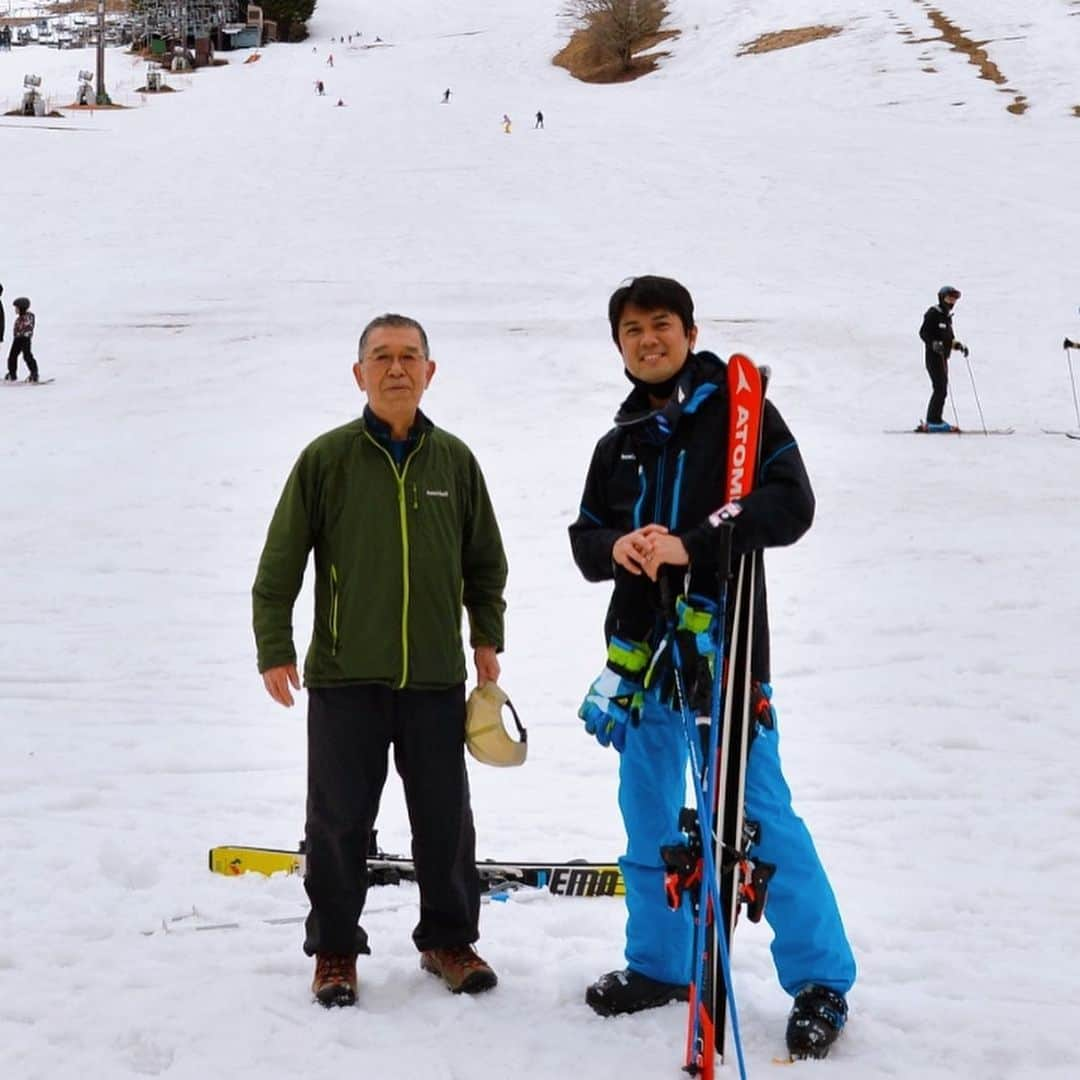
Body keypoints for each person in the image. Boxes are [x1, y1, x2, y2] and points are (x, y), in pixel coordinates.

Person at [568, 276, 856, 1060]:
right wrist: (616, 549)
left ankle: (820, 980)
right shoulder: (618, 442)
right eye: (632, 329)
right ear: (618, 344)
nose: (648, 339)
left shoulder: (742, 414)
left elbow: (790, 503)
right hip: (640, 662)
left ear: (689, 332)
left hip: (721, 653)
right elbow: (585, 536)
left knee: (758, 815)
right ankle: (660, 964)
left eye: (661, 324)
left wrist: (695, 542)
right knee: (648, 815)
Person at [252, 313, 509, 1009]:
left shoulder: (453, 461)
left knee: (445, 818)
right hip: (343, 675)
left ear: (430, 372)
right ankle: (335, 949)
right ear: (359, 373)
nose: (396, 368)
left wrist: (486, 636)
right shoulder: (327, 459)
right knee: (336, 822)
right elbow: (279, 566)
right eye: (381, 357)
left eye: (409, 356)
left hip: (432, 676)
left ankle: (447, 940)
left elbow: (484, 562)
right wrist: (274, 647)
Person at [918, 285, 968, 432]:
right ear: (941, 298)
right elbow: (923, 333)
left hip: (943, 358)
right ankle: (933, 420)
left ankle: (935, 419)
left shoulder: (947, 317)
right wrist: (934, 344)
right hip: (933, 358)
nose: (951, 302)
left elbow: (948, 339)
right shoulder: (933, 313)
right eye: (949, 298)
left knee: (941, 388)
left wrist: (958, 346)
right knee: (940, 388)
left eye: (954, 299)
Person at [5, 297, 38, 383]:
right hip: (17, 339)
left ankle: (34, 373)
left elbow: (27, 327)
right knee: (12, 356)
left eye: (17, 308)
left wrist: (22, 334)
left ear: (22, 308)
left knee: (27, 356)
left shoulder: (28, 317)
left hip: (25, 339)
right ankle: (12, 373)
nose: (15, 310)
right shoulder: (19, 318)